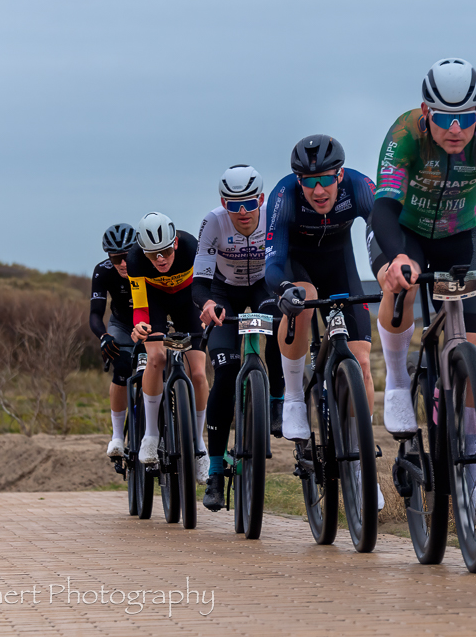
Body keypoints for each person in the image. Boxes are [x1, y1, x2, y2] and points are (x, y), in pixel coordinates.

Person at [369, 58, 476, 449]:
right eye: (445, 118)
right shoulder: (404, 133)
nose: (456, 128)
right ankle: (397, 381)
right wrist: (397, 257)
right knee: (402, 283)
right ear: (426, 111)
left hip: (460, 236)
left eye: (465, 116)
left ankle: (474, 466)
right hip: (404, 232)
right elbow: (385, 207)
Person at [264, 135, 383, 508]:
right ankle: (294, 398)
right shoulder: (284, 196)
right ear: (298, 180)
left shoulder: (360, 187)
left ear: (340, 175)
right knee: (304, 295)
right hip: (296, 267)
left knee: (361, 361)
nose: (318, 191)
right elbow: (272, 261)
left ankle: (362, 462)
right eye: (309, 182)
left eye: (326, 180)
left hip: (339, 266)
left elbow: (384, 232)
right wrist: (284, 289)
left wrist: (390, 268)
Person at [194, 164, 285, 512]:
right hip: (224, 292)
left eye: (249, 203)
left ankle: (276, 401)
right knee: (226, 371)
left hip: (263, 285)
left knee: (279, 323)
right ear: (223, 203)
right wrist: (207, 304)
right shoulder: (213, 222)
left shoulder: (272, 216)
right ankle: (216, 471)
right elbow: (200, 283)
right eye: (234, 204)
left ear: (261, 199)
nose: (243, 211)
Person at [127, 212, 210, 484]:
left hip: (188, 300)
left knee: (198, 373)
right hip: (156, 303)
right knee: (156, 358)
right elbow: (140, 305)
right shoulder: (135, 259)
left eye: (165, 251)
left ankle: (198, 444)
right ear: (144, 252)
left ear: (175, 243)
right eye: (153, 255)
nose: (160, 259)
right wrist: (139, 326)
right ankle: (151, 434)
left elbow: (205, 286)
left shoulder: (191, 247)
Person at [90, 223, 138, 460]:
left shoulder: (148, 265)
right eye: (116, 258)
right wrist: (104, 337)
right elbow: (95, 314)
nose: (123, 263)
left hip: (152, 323)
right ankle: (117, 436)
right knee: (122, 368)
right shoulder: (103, 271)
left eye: (127, 257)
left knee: (160, 366)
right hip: (121, 325)